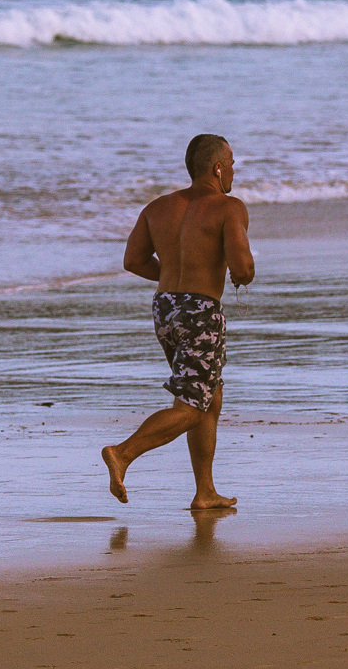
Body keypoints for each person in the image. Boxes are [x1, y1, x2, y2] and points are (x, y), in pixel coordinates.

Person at [101, 133, 254, 510]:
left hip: (166, 308)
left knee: (208, 395)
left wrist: (175, 277)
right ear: (217, 168)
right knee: (191, 404)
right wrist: (238, 275)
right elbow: (244, 268)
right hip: (201, 311)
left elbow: (133, 261)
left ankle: (205, 492)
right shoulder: (229, 207)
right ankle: (122, 453)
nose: (234, 169)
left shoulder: (157, 208)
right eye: (231, 162)